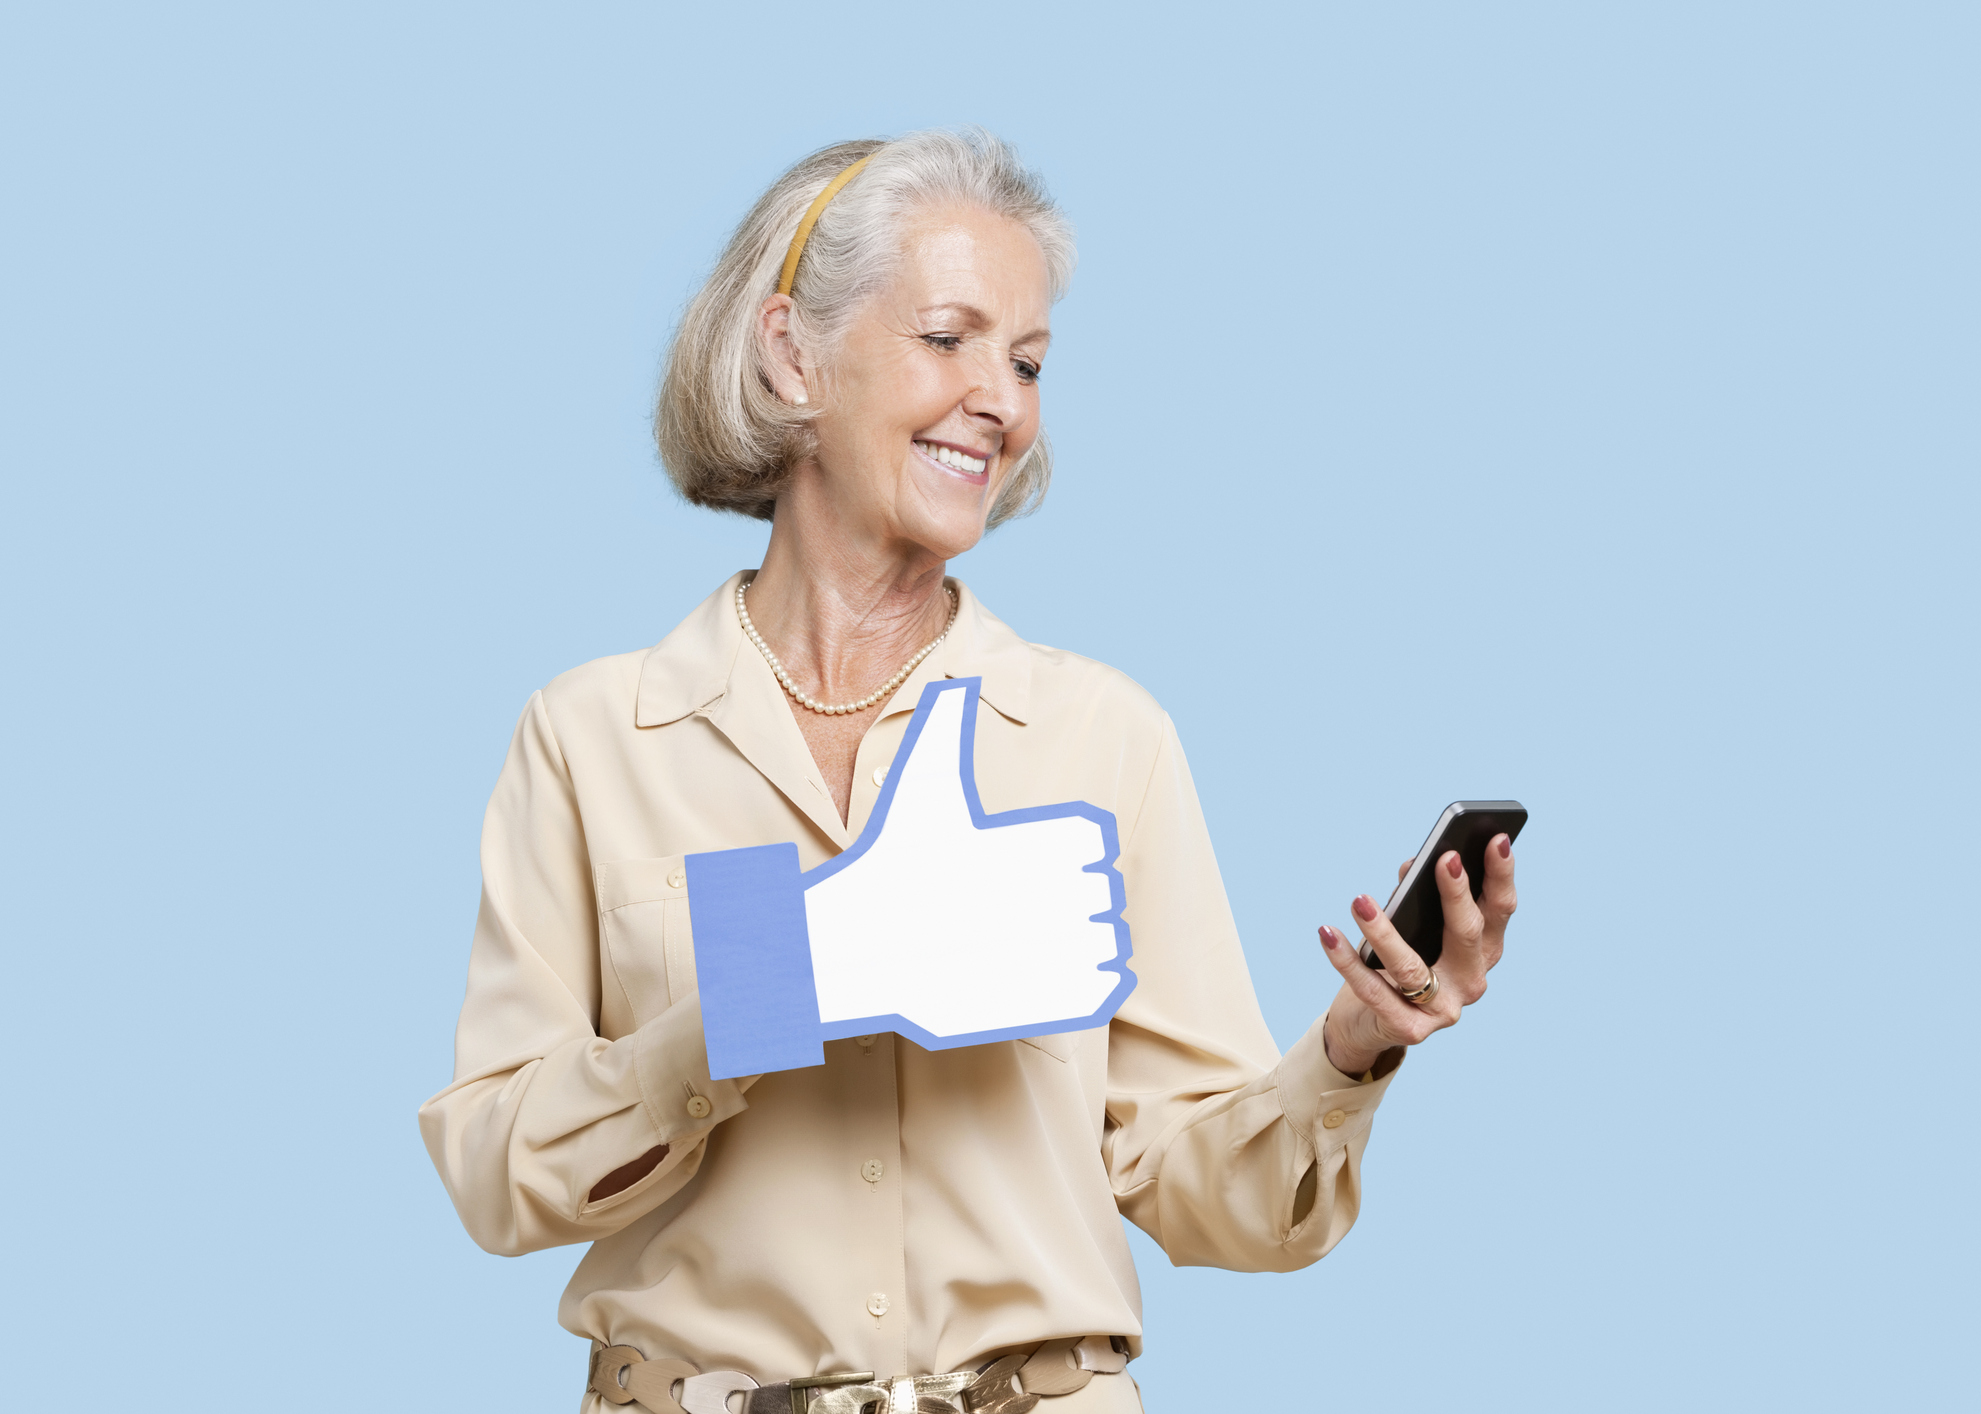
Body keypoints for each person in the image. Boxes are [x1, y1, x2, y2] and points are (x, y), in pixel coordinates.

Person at [419, 129, 1517, 1414]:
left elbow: (1208, 1192)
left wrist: (1346, 1049)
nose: (1001, 397)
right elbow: (495, 1176)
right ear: (792, 355)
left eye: (1030, 360)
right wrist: (799, 965)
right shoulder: (593, 737)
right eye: (949, 339)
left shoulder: (1103, 737)